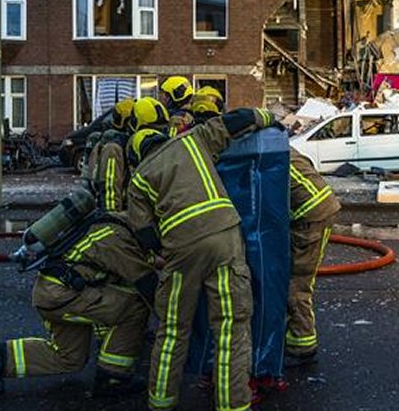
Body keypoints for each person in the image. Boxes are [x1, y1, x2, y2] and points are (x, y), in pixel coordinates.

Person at [126, 108, 274, 411]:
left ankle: (161, 401)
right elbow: (236, 121)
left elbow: (143, 232)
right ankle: (232, 405)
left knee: (173, 330)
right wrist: (267, 118)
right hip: (224, 236)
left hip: (181, 250)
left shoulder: (138, 178)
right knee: (231, 326)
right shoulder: (191, 140)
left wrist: (164, 253)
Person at [0, 189, 157, 396]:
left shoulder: (112, 223)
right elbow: (146, 283)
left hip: (53, 293)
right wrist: (175, 326)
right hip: (64, 296)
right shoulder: (117, 239)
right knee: (135, 308)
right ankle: (113, 378)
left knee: (69, 359)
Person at [284, 148, 341, 367]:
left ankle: (302, 346)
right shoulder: (279, 143)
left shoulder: (256, 148)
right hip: (321, 206)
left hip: (310, 215)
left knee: (297, 282)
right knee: (297, 279)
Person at [89, 99, 134, 211]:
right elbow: (110, 185)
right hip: (117, 208)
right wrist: (112, 216)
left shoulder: (108, 142)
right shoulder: (113, 148)